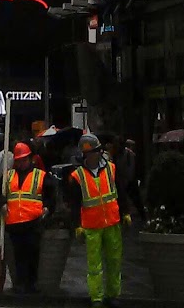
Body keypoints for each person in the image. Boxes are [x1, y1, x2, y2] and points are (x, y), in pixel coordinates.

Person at [69, 131, 129, 308]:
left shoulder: (111, 169)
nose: (92, 156)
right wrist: (77, 225)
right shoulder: (78, 176)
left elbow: (121, 192)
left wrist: (125, 212)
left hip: (112, 221)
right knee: (94, 264)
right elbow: (74, 204)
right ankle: (96, 297)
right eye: (88, 153)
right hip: (92, 225)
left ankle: (113, 294)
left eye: (94, 152)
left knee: (114, 261)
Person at [0, 141, 55, 296]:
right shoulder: (8, 176)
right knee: (18, 256)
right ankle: (20, 283)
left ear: (30, 159)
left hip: (34, 221)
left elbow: (51, 195)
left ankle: (32, 283)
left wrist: (47, 208)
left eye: (24, 160)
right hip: (14, 222)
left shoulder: (40, 175)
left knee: (33, 253)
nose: (21, 163)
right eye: (19, 160)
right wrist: (2, 203)